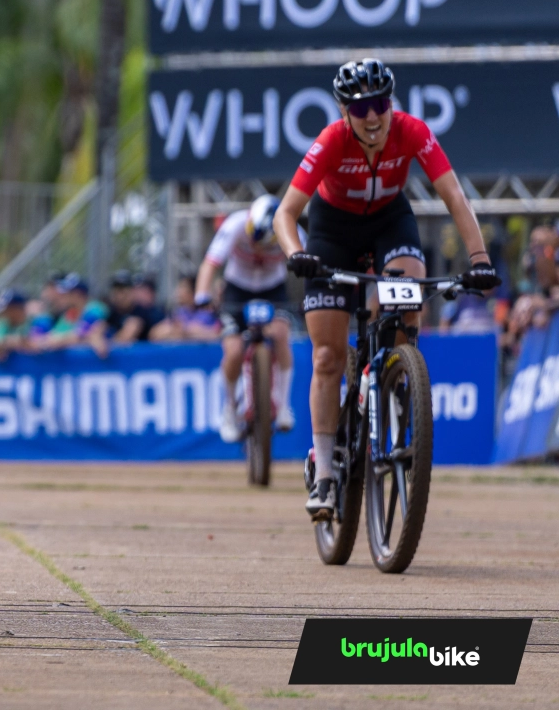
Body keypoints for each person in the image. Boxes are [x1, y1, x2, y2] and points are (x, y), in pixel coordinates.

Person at [274, 59, 500, 520]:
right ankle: (324, 471)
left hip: (388, 222)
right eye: (361, 109)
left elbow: (454, 195)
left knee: (408, 294)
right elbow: (285, 213)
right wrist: (296, 252)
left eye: (381, 104)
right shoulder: (331, 141)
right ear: (344, 111)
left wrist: (479, 261)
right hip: (332, 233)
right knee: (326, 357)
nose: (373, 116)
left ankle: (398, 379)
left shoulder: (412, 131)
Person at [198, 195, 299, 442]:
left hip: (273, 289)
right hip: (237, 289)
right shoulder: (234, 225)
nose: (256, 249)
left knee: (281, 334)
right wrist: (202, 294)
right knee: (232, 351)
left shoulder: (292, 230)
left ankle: (284, 405)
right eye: (253, 240)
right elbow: (210, 265)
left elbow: (309, 261)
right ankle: (230, 410)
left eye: (264, 244)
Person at [32, 274, 107, 351]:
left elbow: (82, 334)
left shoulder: (95, 308)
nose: (63, 296)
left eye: (67, 293)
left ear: (77, 294)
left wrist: (58, 340)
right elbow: (57, 333)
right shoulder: (70, 313)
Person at [150, 276, 221, 342]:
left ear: (194, 292)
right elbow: (154, 334)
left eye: (183, 287)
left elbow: (217, 334)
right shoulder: (179, 313)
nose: (178, 292)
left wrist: (187, 331)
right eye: (179, 287)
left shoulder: (208, 313)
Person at [0, 289, 31, 360]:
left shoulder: (35, 321)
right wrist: (6, 343)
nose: (3, 313)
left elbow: (36, 345)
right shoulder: (4, 323)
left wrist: (20, 342)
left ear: (18, 308)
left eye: (7, 309)